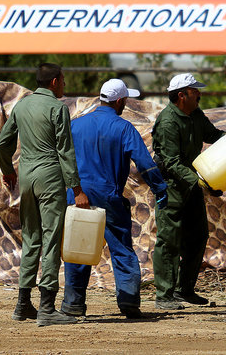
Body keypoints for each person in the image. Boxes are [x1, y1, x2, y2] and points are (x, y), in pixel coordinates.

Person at [60, 78, 168, 319]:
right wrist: (161, 190)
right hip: (109, 195)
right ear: (119, 101)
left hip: (79, 195)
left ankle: (73, 304)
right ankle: (129, 302)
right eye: (126, 100)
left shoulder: (75, 125)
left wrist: (73, 192)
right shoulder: (124, 128)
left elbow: (63, 160)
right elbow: (145, 165)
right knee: (121, 249)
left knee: (79, 248)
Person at [0, 62, 90, 327]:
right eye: (63, 80)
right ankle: (47, 307)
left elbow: (4, 143)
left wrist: (8, 171)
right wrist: (77, 189)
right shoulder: (58, 108)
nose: (64, 85)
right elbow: (65, 151)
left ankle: (23, 304)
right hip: (50, 176)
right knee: (50, 240)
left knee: (31, 239)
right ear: (54, 82)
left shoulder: (22, 105)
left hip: (26, 177)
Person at [151, 73, 226, 310]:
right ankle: (164, 295)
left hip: (191, 187)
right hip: (171, 189)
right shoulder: (168, 122)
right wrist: (201, 182)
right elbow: (171, 162)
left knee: (198, 236)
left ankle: (184, 290)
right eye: (195, 91)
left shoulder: (196, 115)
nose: (199, 94)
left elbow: (212, 135)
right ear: (182, 95)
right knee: (169, 240)